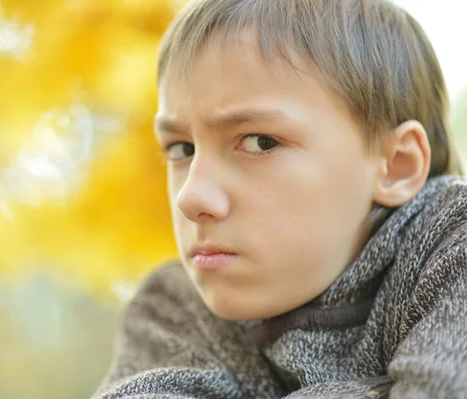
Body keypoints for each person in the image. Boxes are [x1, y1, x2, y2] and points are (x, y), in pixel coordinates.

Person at [94, 0, 467, 397]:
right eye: (181, 149)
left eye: (261, 141)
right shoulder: (173, 308)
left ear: (396, 166)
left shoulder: (452, 246)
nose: (191, 197)